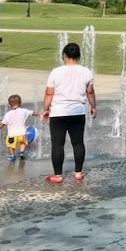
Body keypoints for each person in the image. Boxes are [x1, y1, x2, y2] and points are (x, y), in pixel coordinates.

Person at [42, 42, 96, 184]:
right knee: (78, 143)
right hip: (78, 112)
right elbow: (89, 91)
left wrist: (45, 109)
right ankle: (78, 172)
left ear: (64, 55)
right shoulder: (86, 72)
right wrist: (93, 106)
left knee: (57, 144)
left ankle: (58, 175)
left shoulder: (56, 72)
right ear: (78, 56)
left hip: (58, 113)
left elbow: (49, 93)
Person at [0, 94, 33, 162]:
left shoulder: (8, 114)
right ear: (20, 103)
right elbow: (33, 113)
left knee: (10, 146)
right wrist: (40, 114)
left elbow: (3, 123)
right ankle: (22, 152)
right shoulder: (24, 111)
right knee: (22, 143)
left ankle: (12, 156)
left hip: (12, 135)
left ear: (9, 105)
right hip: (22, 134)